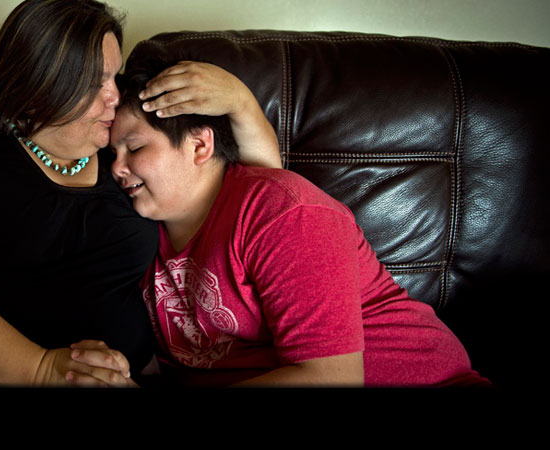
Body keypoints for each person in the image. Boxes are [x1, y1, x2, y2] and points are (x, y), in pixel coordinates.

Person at [0, 0, 281, 389]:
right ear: (39, 80)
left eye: (115, 77)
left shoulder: (124, 156)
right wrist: (41, 369)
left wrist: (241, 102)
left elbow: (260, 189)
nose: (114, 96)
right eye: (96, 82)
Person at [100, 57, 491, 387]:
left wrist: (239, 101)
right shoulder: (142, 239)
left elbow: (332, 378)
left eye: (134, 147)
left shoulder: (284, 211)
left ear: (200, 145)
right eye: (111, 153)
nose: (117, 168)